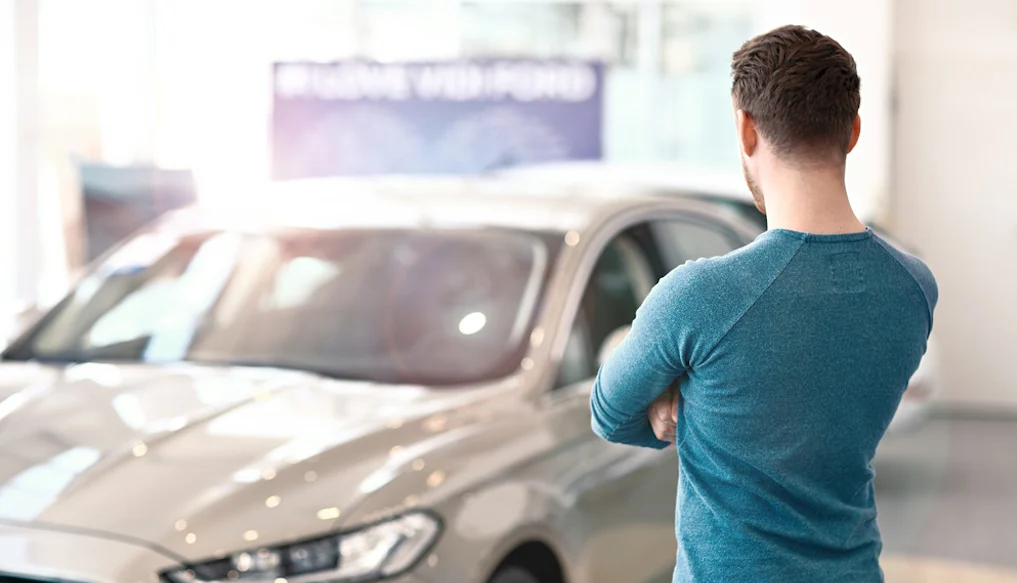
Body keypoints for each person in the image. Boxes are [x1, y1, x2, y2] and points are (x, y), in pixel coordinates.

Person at [590, 25, 937, 583]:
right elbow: (815, 395)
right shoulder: (915, 287)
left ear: (745, 128)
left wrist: (678, 383)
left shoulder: (699, 298)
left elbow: (610, 415)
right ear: (853, 131)